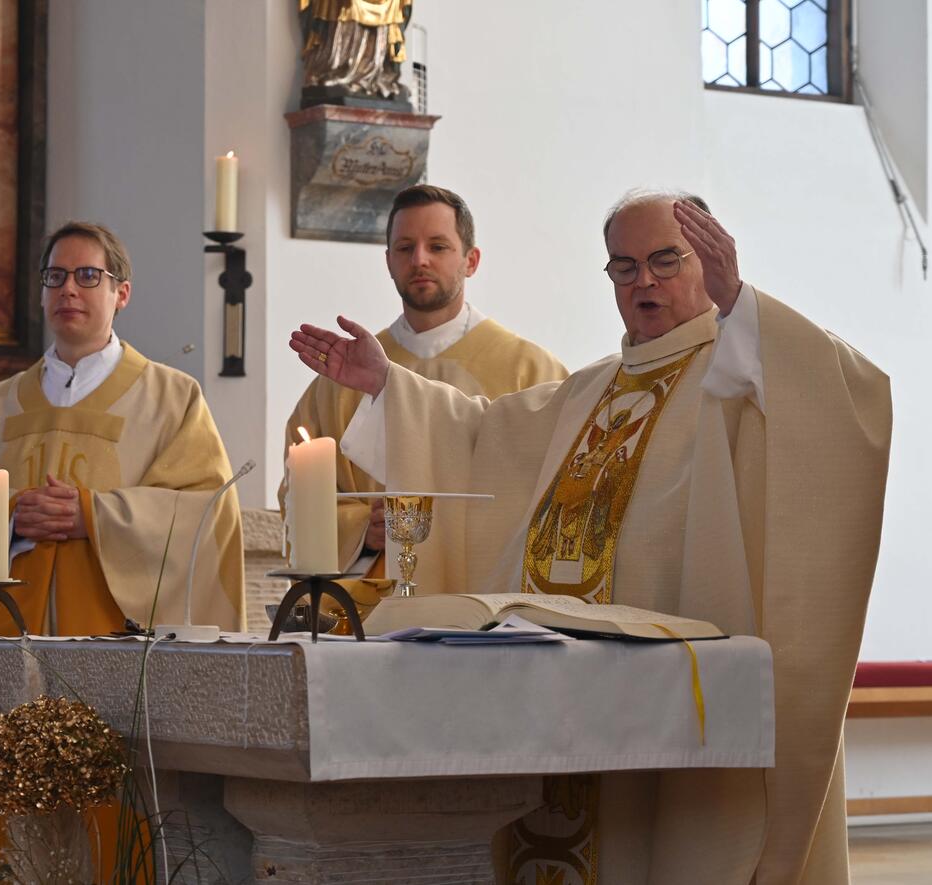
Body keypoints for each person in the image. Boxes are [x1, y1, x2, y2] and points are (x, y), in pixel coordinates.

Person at [289, 191, 891, 885]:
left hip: (675, 697)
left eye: (667, 259)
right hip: (561, 694)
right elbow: (480, 435)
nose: (644, 281)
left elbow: (851, 399)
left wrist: (740, 300)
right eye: (624, 265)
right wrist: (388, 385)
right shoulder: (591, 388)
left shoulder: (743, 370)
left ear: (712, 259)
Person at [0, 220, 245, 876]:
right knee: (2, 840)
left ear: (121, 293)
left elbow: (206, 511)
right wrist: (7, 516)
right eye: (56, 276)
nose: (70, 288)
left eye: (88, 275)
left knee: (112, 834)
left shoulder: (171, 398)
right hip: (5, 652)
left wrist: (96, 515)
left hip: (114, 653)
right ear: (41, 293)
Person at [280, 185, 567, 576]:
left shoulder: (530, 370)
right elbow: (297, 495)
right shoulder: (340, 378)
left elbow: (556, 496)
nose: (419, 260)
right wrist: (362, 527)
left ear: (471, 260)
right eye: (404, 248)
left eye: (438, 246)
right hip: (369, 604)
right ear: (388, 261)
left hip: (483, 594)